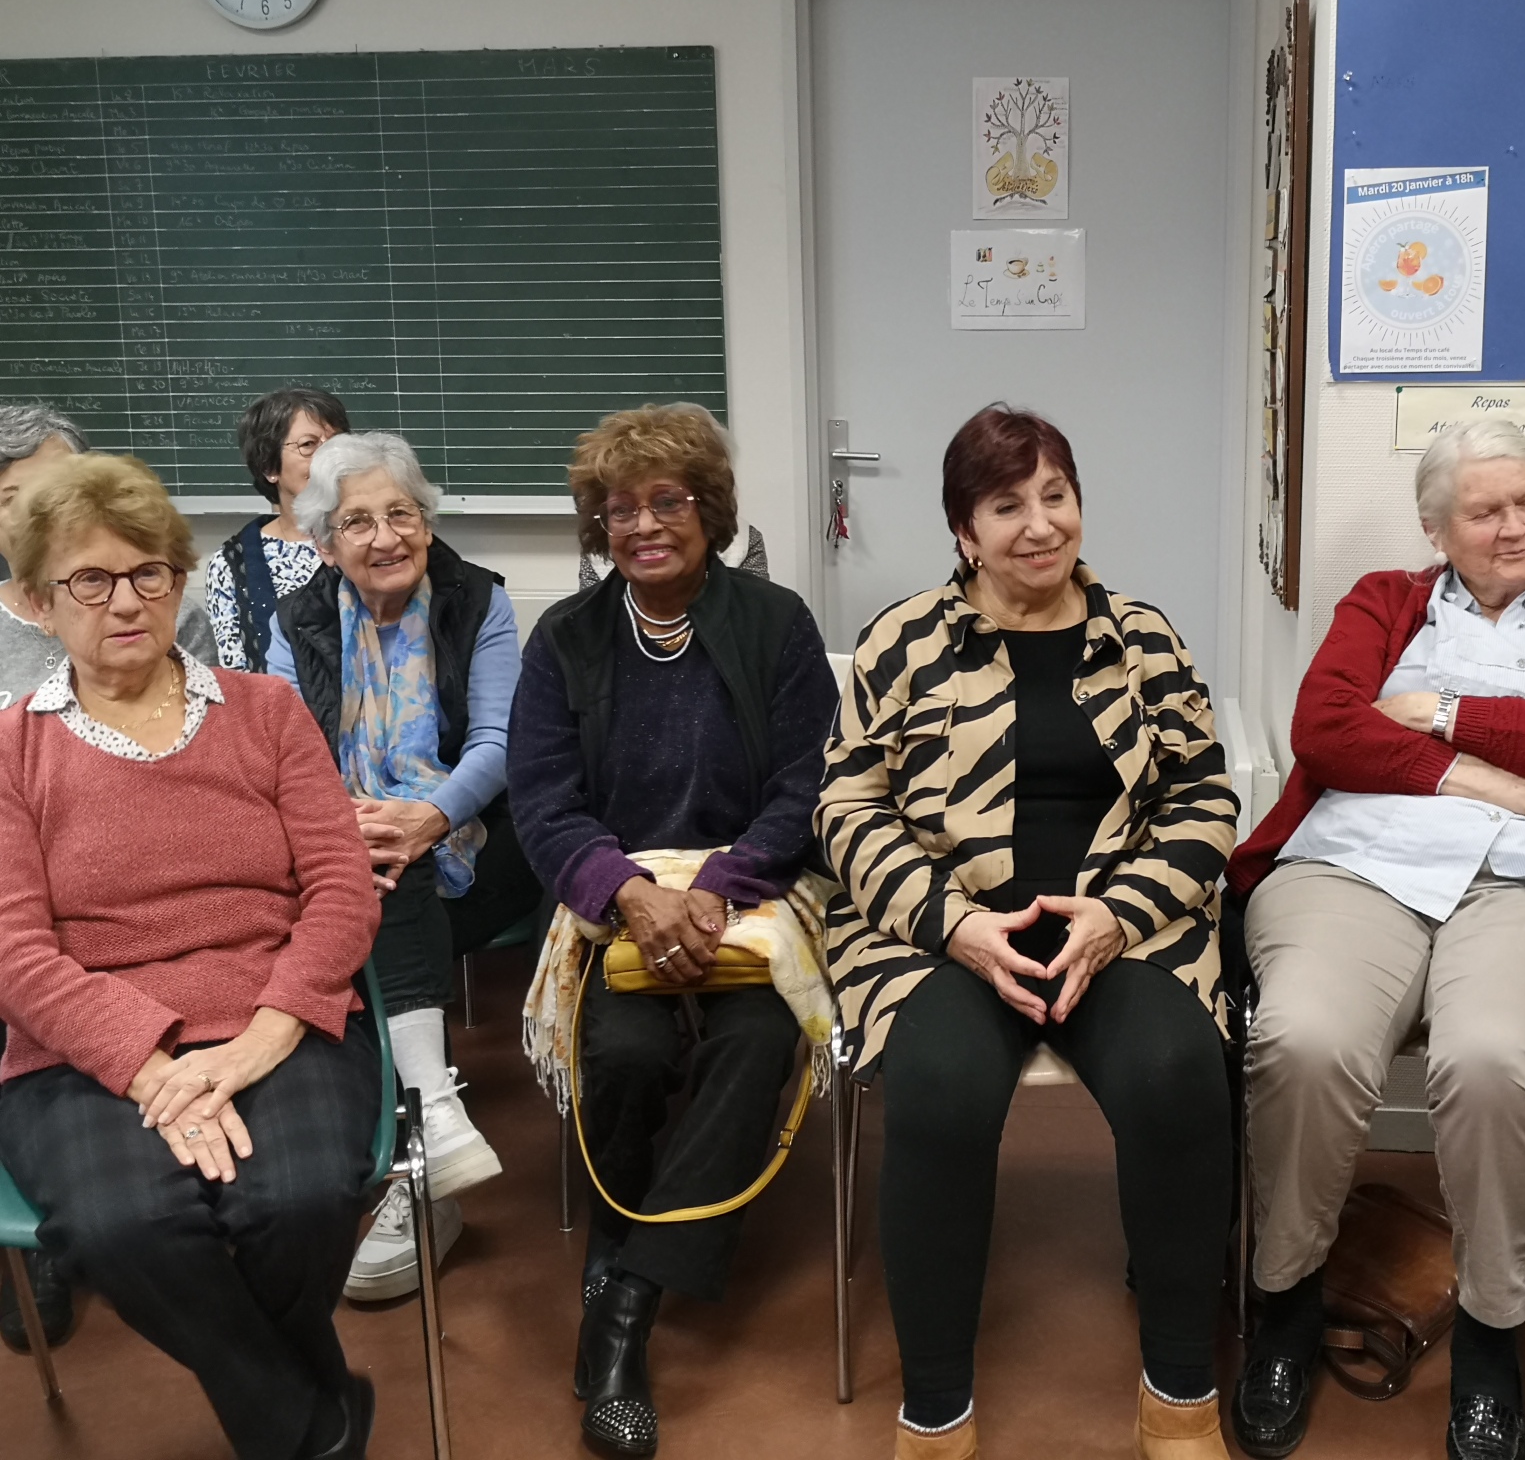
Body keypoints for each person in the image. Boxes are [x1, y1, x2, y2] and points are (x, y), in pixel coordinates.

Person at [1223, 420, 1525, 1460]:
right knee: (1304, 1040)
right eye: (1484, 510)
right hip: (1355, 867)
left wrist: (1435, 712)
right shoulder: (1382, 602)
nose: (1514, 527)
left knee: (1497, 1058)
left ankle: (1490, 1336)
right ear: (1435, 529)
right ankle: (1285, 1299)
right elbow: (1327, 731)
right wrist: (1496, 780)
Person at [818, 404, 1241, 1460]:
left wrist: (1118, 914)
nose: (1040, 525)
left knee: (1178, 1074)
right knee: (940, 1089)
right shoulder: (903, 640)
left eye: (1057, 496)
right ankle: (935, 1411)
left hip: (1119, 927)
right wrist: (954, 923)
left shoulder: (1142, 638)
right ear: (964, 530)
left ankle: (1181, 1394)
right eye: (1007, 505)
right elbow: (847, 807)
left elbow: (1203, 798)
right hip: (939, 931)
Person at [0, 455, 380, 1460]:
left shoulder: (267, 711)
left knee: (299, 1202)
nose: (127, 601)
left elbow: (341, 889)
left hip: (275, 1014)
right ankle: (314, 1423)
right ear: (37, 602)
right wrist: (151, 1068)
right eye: (91, 580)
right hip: (82, 1047)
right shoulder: (10, 752)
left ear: (178, 579)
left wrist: (263, 1037)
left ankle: (293, 1428)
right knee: (125, 1226)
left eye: (149, 572)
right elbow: (15, 953)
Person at [507, 402, 837, 1457]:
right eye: (620, 509)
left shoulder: (776, 623)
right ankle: (628, 1245)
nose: (643, 524)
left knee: (755, 1044)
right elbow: (543, 802)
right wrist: (631, 896)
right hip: (618, 902)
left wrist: (721, 886)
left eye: (667, 501)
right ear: (597, 526)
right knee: (625, 1051)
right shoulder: (565, 639)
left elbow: (807, 785)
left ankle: (623, 1299)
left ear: (711, 510)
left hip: (749, 891)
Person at [265, 430, 529, 1301]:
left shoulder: (479, 602)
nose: (386, 538)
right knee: (373, 874)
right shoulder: (294, 622)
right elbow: (284, 758)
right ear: (324, 542)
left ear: (426, 520)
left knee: (390, 874)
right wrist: (352, 827)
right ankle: (431, 1136)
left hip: (481, 843)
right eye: (358, 522)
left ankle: (415, 1155)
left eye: (402, 514)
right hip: (342, 849)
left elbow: (499, 743)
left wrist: (430, 816)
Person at [0, 405, 217, 710]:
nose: (36, 512)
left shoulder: (169, 615)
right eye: (12, 498)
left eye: (55, 491)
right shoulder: (21, 733)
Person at [205, 387, 348, 673]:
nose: (328, 457)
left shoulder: (374, 538)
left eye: (337, 443)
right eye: (309, 445)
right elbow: (238, 676)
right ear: (270, 466)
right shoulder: (232, 564)